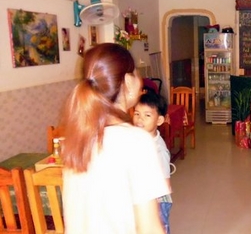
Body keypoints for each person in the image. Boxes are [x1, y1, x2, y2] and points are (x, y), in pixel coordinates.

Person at [60, 43, 167, 234]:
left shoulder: (78, 138)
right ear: (127, 81)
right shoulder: (136, 141)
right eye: (137, 73)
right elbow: (149, 228)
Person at [133, 91, 173, 234]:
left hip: (158, 201)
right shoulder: (139, 139)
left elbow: (165, 184)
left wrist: (154, 208)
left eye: (147, 115)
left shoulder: (158, 150)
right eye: (137, 113)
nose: (139, 119)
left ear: (160, 120)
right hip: (143, 198)